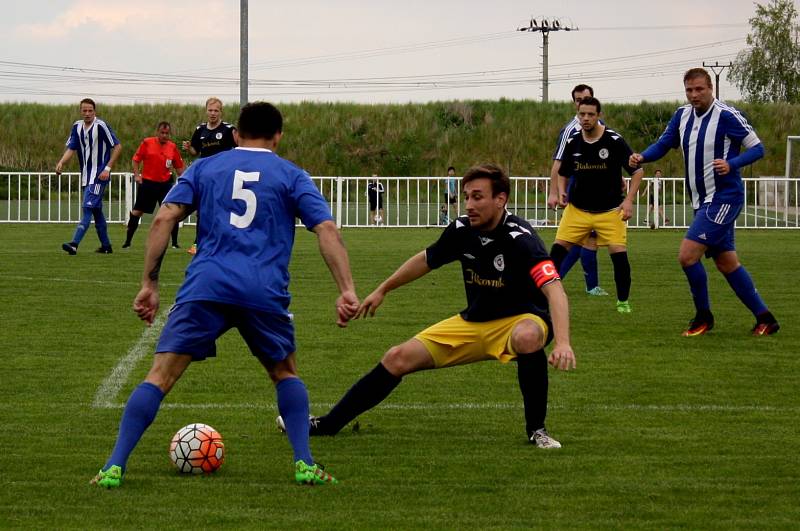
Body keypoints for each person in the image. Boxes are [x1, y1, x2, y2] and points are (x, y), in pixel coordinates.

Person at [91, 102, 359, 489]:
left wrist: (149, 283)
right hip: (263, 291)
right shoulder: (292, 175)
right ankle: (304, 463)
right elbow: (327, 230)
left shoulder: (204, 168)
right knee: (284, 373)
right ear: (278, 137)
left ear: (236, 135)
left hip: (207, 286)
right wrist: (346, 290)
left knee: (160, 376)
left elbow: (165, 217)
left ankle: (114, 466)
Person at [278, 163, 576, 448]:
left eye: (478, 197)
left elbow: (555, 291)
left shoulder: (521, 239)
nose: (469, 205)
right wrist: (383, 289)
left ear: (501, 199)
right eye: (466, 197)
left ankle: (537, 429)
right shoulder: (462, 230)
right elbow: (425, 260)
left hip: (521, 320)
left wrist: (562, 342)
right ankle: (327, 425)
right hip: (474, 323)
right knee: (397, 357)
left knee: (527, 336)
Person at [630, 67, 779, 337]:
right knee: (727, 263)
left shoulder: (727, 115)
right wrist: (643, 157)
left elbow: (758, 148)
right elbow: (664, 144)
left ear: (711, 88)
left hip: (724, 198)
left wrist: (731, 163)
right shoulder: (682, 115)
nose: (694, 95)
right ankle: (765, 318)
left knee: (687, 256)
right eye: (689, 90)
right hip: (702, 201)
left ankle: (703, 316)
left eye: (699, 89)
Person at [549, 97, 644, 314]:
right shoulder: (573, 141)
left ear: (598, 116)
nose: (586, 118)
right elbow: (563, 173)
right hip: (577, 211)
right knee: (556, 252)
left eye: (591, 114)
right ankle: (541, 295)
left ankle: (622, 302)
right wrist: (562, 190)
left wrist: (628, 200)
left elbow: (638, 171)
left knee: (619, 257)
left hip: (610, 212)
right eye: (582, 114)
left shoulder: (614, 140)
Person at [548, 84, 607, 297]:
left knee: (589, 238)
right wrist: (554, 192)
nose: (583, 102)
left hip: (599, 192)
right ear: (574, 104)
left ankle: (590, 286)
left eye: (587, 98)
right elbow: (558, 163)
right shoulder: (571, 130)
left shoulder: (601, 126)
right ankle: (553, 279)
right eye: (579, 100)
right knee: (576, 239)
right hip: (578, 189)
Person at [57, 98, 122, 255]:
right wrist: (61, 163)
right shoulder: (76, 126)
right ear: (80, 111)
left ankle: (74, 244)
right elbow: (71, 148)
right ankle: (106, 246)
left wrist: (107, 168)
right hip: (86, 176)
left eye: (90, 111)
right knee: (96, 211)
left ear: (95, 111)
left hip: (99, 176)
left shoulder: (101, 126)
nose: (87, 113)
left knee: (87, 207)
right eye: (84, 110)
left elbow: (118, 146)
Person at [182, 97, 238, 255]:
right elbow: (196, 152)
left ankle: (227, 241)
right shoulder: (200, 130)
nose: (213, 113)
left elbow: (241, 148)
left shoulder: (228, 129)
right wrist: (189, 148)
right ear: (206, 111)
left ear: (221, 112)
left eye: (216, 110)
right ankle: (197, 243)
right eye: (210, 110)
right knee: (203, 209)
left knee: (223, 208)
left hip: (224, 176)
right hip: (205, 177)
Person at [123, 122, 185, 249]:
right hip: (148, 183)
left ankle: (174, 243)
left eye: (167, 133)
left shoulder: (172, 147)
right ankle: (127, 242)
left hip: (165, 184)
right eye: (162, 133)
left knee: (171, 212)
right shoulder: (147, 142)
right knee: (137, 211)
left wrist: (185, 181)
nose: (164, 135)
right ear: (157, 132)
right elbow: (136, 160)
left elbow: (179, 167)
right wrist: (137, 175)